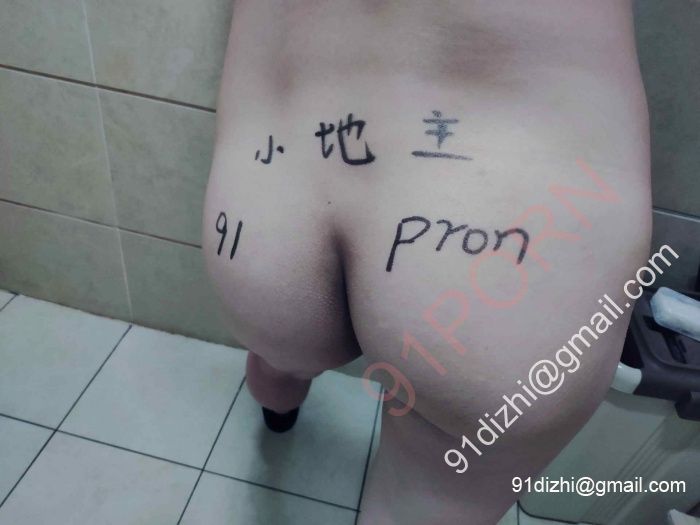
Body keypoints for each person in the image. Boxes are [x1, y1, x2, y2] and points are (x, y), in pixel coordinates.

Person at [202, 1, 652, 523]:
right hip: (517, 204)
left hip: (267, 186)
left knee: (277, 356)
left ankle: (277, 414)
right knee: (428, 503)